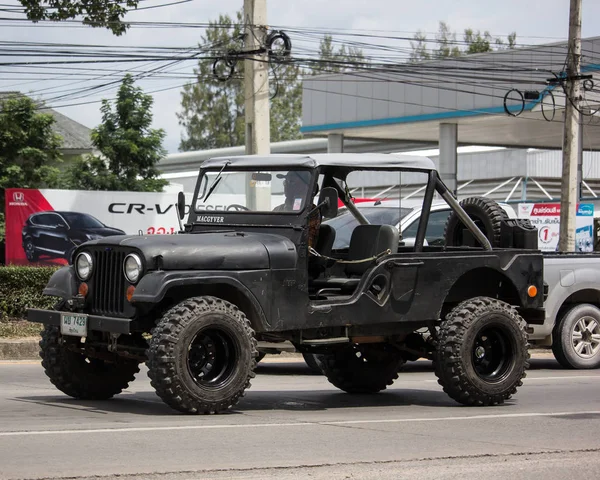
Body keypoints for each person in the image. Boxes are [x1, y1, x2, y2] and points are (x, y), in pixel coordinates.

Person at [273, 171, 321, 248]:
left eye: (291, 182)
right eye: (285, 182)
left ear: (305, 186)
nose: (286, 185)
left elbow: (306, 247)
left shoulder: (311, 211)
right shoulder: (278, 209)